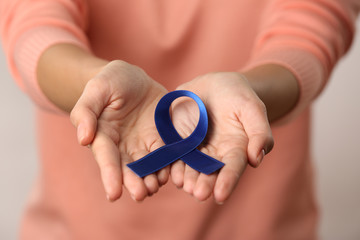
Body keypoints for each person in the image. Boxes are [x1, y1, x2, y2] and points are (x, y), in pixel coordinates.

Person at [1, 0, 359, 239]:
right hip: (81, 228)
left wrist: (250, 93)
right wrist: (95, 87)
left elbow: (312, 24)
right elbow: (32, 21)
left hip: (260, 226)